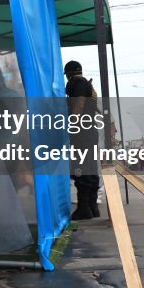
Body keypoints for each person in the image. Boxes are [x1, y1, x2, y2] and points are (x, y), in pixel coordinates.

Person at [64, 60, 100, 220]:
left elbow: (78, 104)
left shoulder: (78, 84)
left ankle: (84, 208)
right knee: (90, 168)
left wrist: (72, 124)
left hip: (81, 132)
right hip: (90, 131)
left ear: (70, 74)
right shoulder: (89, 86)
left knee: (81, 169)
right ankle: (92, 207)